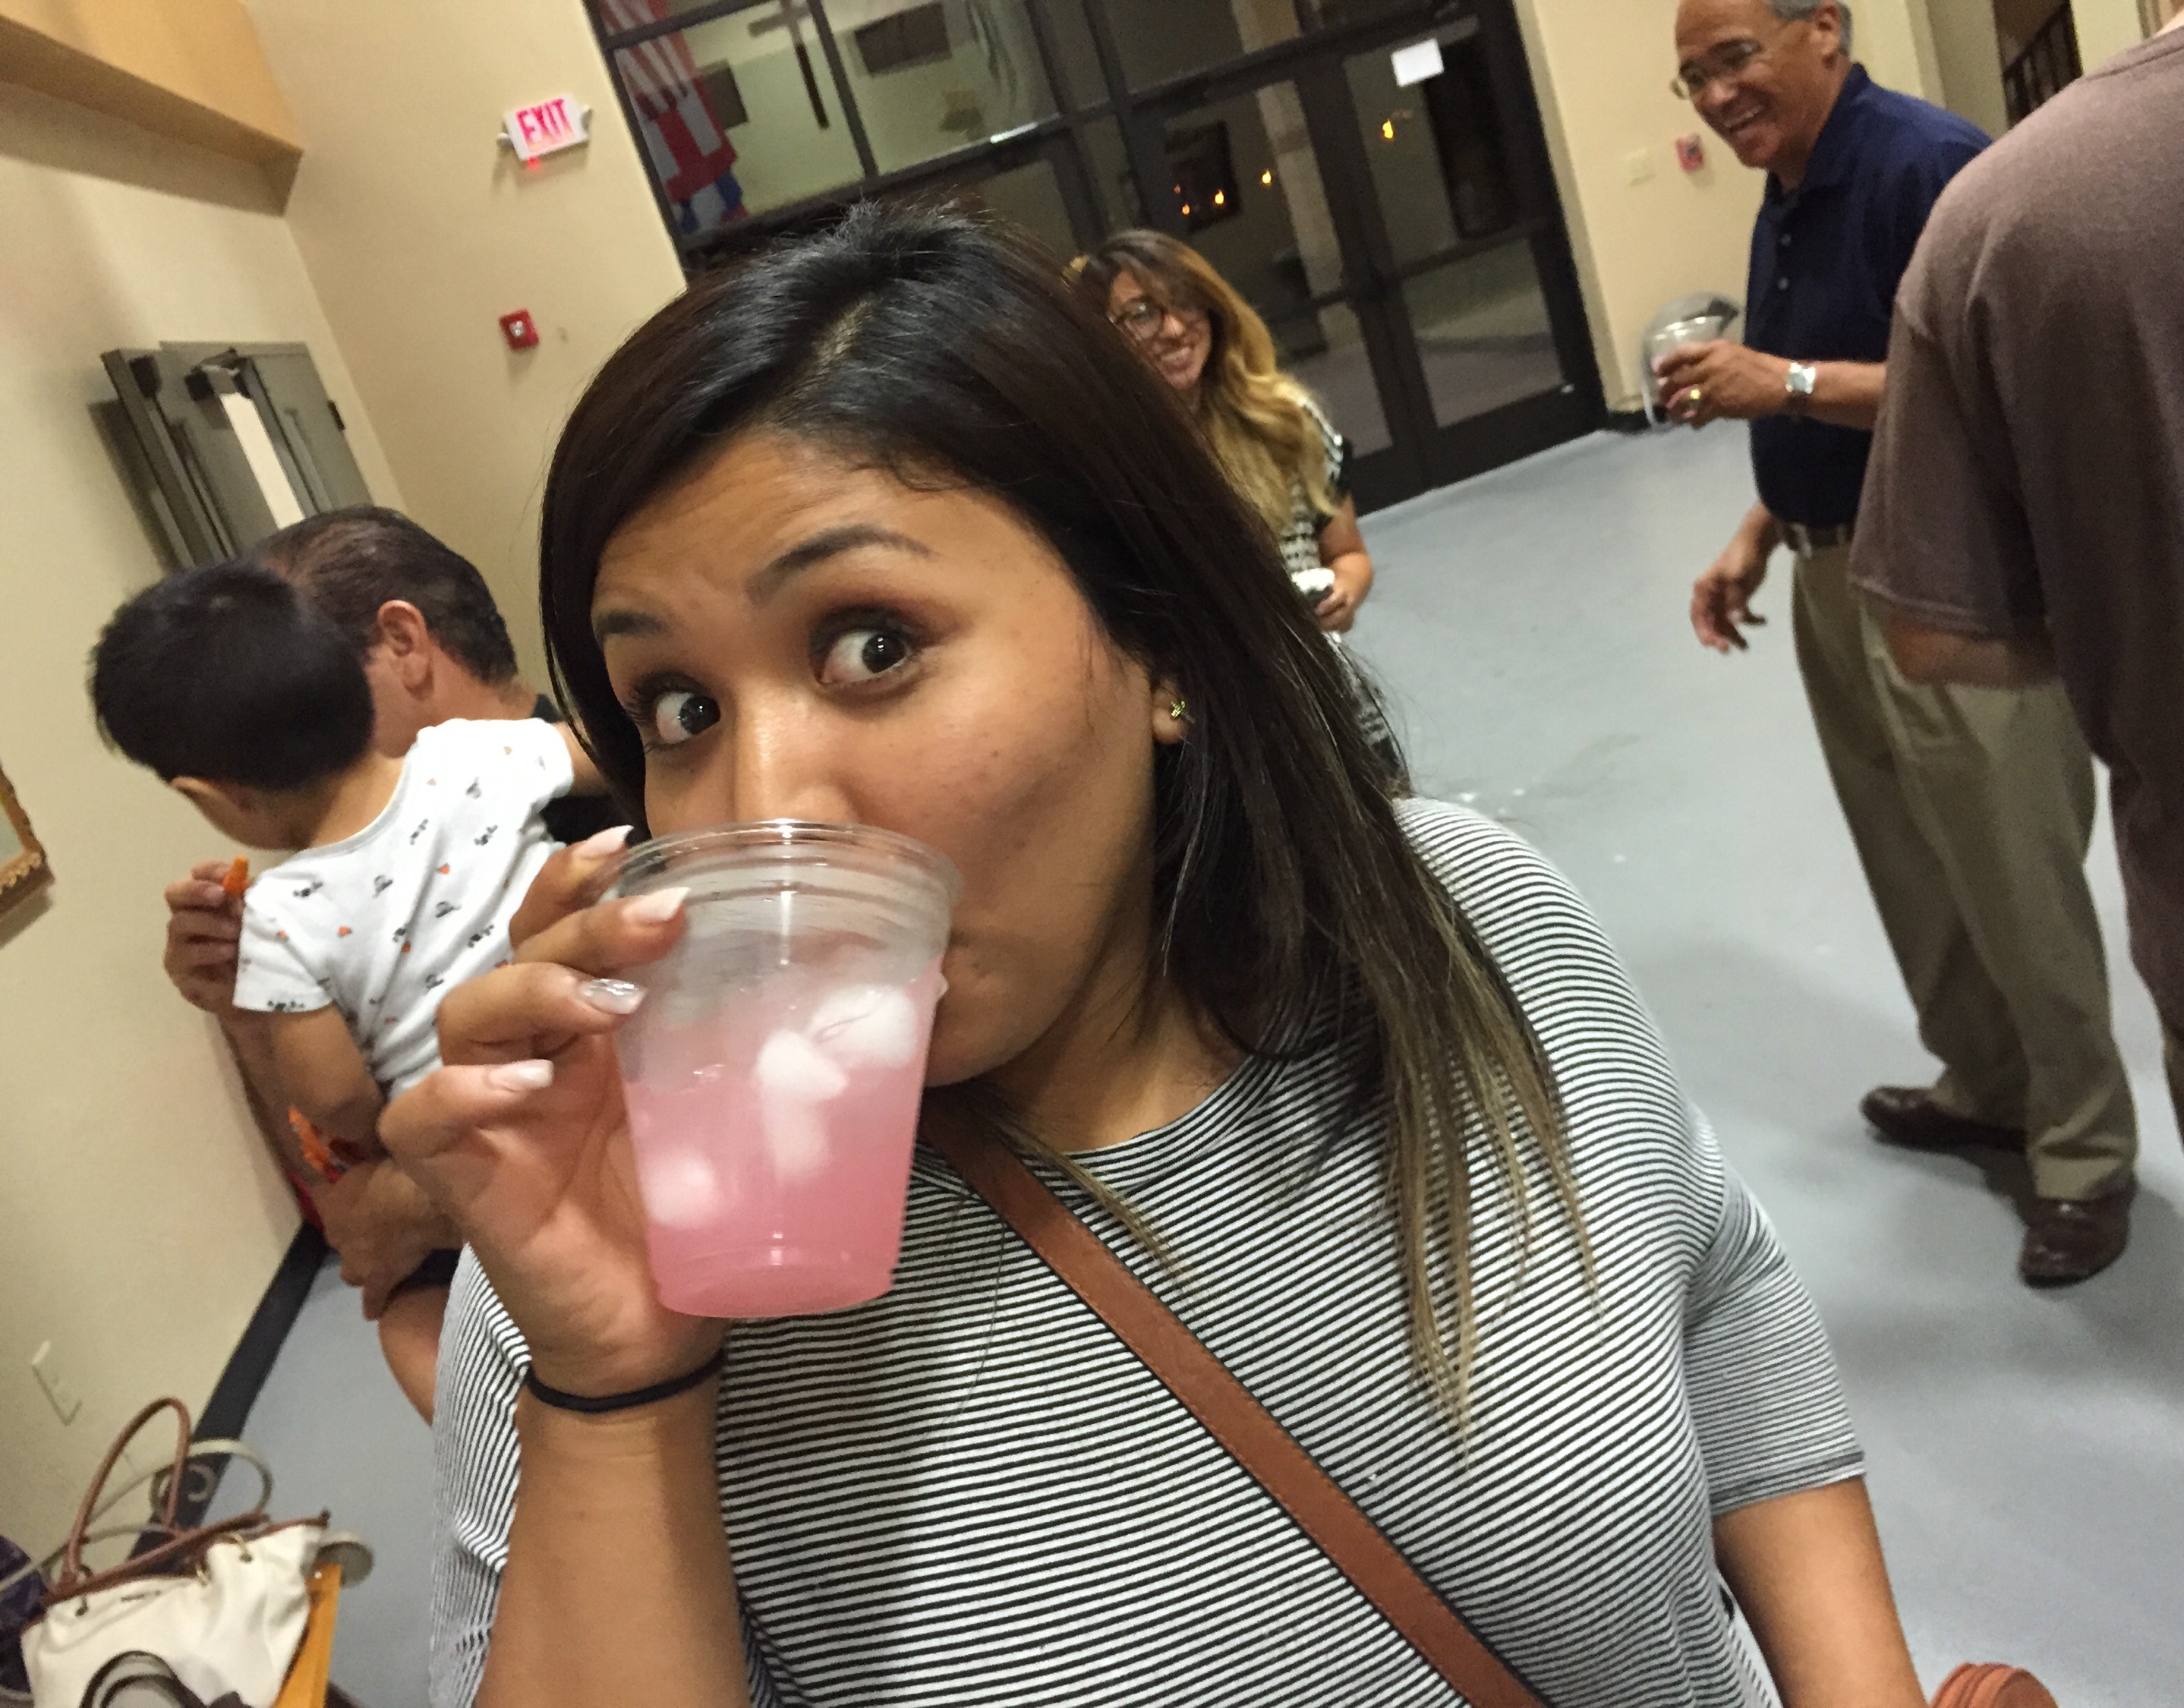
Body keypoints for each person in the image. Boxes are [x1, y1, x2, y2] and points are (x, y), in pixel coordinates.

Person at [386, 203, 1924, 1708]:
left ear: (1162, 644)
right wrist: (623, 1391)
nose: (761, 810)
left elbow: (1713, 1286)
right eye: (681, 709)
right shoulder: (613, 1257)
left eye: (873, 645)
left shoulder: (1461, 920)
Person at [1850, 0, 2184, 1491]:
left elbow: (1938, 630)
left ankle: (2076, 1145)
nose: (1710, 91)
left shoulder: (1993, 207)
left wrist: (2170, 627)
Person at [1659, 0, 2140, 1284]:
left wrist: (1782, 383)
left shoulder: (1924, 166)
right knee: (1912, 861)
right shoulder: (1790, 191)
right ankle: (1989, 1082)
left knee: (2010, 864)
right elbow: (1843, 375)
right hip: (1836, 567)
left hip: (1955, 577)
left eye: (1734, 58)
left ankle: (2086, 1154)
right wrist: (1759, 531)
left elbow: (1993, 373)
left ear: (1824, 27)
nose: (1715, 96)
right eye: (1692, 79)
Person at [91, 561, 610, 1420]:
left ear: (211, 796)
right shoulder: (471, 750)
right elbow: (610, 750)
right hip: (599, 1044)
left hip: (467, 1135)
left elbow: (336, 1100)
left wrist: (308, 1054)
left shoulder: (280, 918)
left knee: (410, 1321)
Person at [1070, 230, 1375, 635]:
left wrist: (1345, 591)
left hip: (1310, 667)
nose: (1175, 329)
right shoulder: (1102, 469)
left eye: (1185, 301)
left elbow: (1348, 554)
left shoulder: (1282, 419)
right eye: (1141, 315)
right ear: (1099, 337)